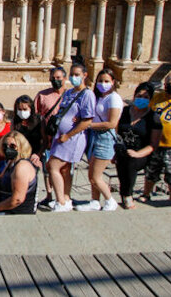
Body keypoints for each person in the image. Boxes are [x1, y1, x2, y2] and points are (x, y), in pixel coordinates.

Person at [47, 63, 94, 212]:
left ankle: (60, 201)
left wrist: (68, 135)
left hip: (72, 138)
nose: (74, 77)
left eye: (77, 74)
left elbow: (87, 120)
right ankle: (66, 198)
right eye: (72, 74)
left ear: (84, 75)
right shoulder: (68, 93)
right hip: (60, 136)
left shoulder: (87, 95)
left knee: (53, 165)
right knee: (65, 169)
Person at [76, 69, 122, 212]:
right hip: (94, 136)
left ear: (113, 82)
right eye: (100, 81)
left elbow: (112, 123)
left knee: (96, 177)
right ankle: (95, 201)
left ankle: (110, 200)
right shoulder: (99, 97)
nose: (103, 84)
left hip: (105, 138)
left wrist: (88, 125)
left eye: (107, 81)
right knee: (91, 174)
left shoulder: (114, 98)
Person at [115, 82, 161, 209]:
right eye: (139, 96)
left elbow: (153, 145)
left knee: (130, 160)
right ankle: (124, 193)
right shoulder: (124, 112)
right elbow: (117, 132)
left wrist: (137, 153)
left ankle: (127, 194)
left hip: (142, 153)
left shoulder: (153, 118)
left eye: (146, 97)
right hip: (124, 149)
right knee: (123, 159)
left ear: (150, 99)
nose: (142, 99)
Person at [142, 73, 171, 201]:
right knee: (151, 172)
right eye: (168, 84)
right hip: (155, 143)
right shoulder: (157, 97)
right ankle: (146, 194)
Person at [34, 67, 67, 207]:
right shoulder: (42, 95)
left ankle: (65, 196)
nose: (56, 80)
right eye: (53, 78)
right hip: (48, 138)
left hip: (66, 140)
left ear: (65, 78)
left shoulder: (70, 95)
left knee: (65, 169)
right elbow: (35, 116)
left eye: (59, 78)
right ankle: (49, 196)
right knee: (47, 169)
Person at [12, 95, 42, 161]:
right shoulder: (15, 121)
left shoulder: (39, 120)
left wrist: (38, 155)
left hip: (36, 156)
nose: (22, 112)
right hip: (20, 157)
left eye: (25, 109)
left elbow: (44, 141)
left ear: (31, 108)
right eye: (19, 109)